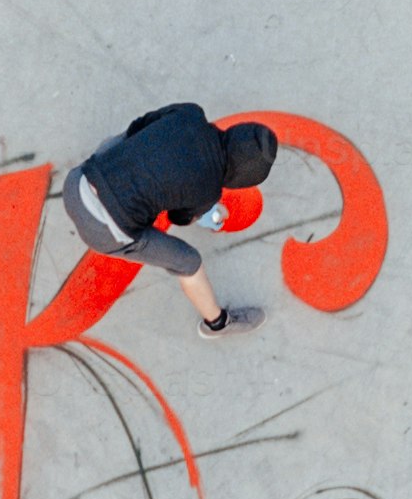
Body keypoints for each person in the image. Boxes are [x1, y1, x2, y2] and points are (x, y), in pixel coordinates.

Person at [62, 103, 277, 335]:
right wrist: (197, 207)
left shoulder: (190, 113)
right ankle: (218, 323)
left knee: (122, 143)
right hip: (101, 229)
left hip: (77, 181)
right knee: (189, 262)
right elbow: (179, 218)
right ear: (239, 179)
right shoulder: (208, 190)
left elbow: (138, 126)